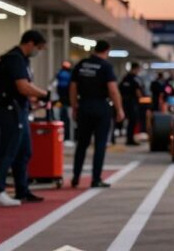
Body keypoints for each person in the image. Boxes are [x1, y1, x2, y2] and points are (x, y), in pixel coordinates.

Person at [0, 30, 51, 206]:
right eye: (38, 47)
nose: (38, 51)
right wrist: (44, 94)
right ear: (30, 43)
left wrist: (34, 100)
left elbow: (23, 89)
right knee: (8, 151)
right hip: (10, 110)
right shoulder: (14, 59)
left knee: (24, 152)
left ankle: (22, 190)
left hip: (20, 109)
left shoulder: (23, 60)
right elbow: (23, 87)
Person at [69, 40, 124, 188]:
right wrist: (119, 109)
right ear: (107, 50)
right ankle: (95, 179)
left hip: (84, 106)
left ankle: (75, 177)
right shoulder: (106, 67)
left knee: (81, 144)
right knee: (100, 145)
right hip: (101, 106)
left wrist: (74, 107)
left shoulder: (81, 64)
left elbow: (73, 88)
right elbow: (112, 89)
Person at [118, 62, 144, 145]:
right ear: (136, 68)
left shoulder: (125, 78)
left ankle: (120, 137)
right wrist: (141, 101)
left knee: (124, 120)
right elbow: (138, 91)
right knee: (133, 121)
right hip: (133, 102)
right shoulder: (135, 79)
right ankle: (130, 139)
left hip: (124, 102)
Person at [54, 61, 73, 140]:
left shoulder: (59, 74)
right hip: (66, 102)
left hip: (61, 101)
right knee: (67, 120)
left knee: (60, 119)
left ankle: (64, 137)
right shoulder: (70, 75)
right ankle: (68, 138)